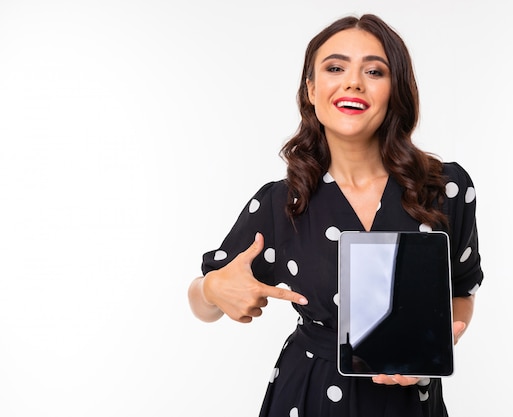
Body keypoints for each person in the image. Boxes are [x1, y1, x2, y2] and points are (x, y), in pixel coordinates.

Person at [188, 13, 483, 417]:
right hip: (308, 396)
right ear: (311, 89)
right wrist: (211, 290)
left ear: (395, 90)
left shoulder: (446, 188)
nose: (353, 82)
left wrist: (430, 351)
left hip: (409, 404)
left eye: (374, 71)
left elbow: (461, 293)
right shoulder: (281, 203)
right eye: (335, 67)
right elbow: (205, 298)